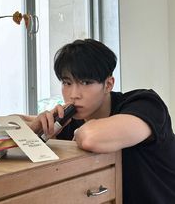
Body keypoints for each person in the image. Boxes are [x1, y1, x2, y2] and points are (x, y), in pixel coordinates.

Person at [25, 39, 175, 204]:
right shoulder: (69, 120)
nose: (74, 94)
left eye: (86, 82)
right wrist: (39, 129)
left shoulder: (145, 104)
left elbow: (90, 138)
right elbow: (13, 123)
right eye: (67, 83)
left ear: (108, 84)